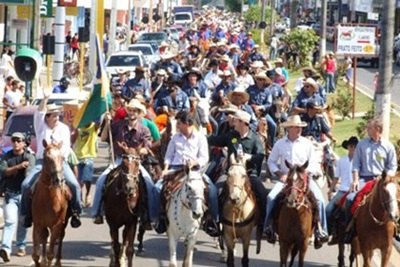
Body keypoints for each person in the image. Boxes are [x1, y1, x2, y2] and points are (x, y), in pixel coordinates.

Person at [20, 87, 82, 228]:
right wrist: (45, 98)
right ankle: (25, 215)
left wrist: (57, 156)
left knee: (75, 185)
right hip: (42, 162)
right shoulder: (41, 127)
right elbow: (39, 113)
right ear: (47, 117)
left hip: (60, 162)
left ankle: (76, 212)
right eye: (53, 115)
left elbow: (66, 148)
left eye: (57, 115)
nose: (56, 118)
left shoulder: (64, 129)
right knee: (26, 185)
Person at [264, 115, 329, 249]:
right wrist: (279, 173)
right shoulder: (280, 144)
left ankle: (321, 230)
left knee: (320, 200)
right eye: (296, 127)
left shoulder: (307, 143)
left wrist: (305, 174)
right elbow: (271, 161)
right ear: (289, 128)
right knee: (271, 198)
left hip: (303, 179)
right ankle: (268, 226)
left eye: (300, 127)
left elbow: (315, 162)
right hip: (286, 179)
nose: (299, 129)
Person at [91, 99, 156, 226]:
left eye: (135, 111)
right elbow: (104, 138)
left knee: (149, 185)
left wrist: (137, 151)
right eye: (130, 110)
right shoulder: (118, 125)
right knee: (101, 181)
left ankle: (148, 217)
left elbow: (147, 147)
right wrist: (107, 123)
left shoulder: (144, 130)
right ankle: (97, 212)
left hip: (136, 162)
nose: (132, 113)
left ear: (139, 113)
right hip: (119, 160)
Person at [155, 111, 219, 236]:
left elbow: (204, 158)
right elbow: (168, 156)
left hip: (194, 171)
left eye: (179, 123)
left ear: (187, 123)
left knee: (212, 190)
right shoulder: (175, 138)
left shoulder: (200, 138)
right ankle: (160, 217)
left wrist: (194, 162)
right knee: (157, 188)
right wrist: (165, 168)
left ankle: (212, 220)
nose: (177, 126)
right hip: (175, 169)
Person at [208, 110, 267, 233]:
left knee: (262, 194)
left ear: (243, 123)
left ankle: (264, 224)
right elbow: (215, 140)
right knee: (216, 191)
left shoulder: (254, 138)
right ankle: (215, 221)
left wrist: (249, 157)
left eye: (236, 120)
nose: (233, 122)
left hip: (249, 174)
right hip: (231, 173)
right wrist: (201, 135)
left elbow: (261, 156)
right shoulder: (231, 135)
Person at [348, 118, 399, 241]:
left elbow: (392, 166)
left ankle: (397, 229)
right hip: (365, 179)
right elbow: (356, 165)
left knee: (395, 199)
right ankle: (349, 229)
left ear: (377, 129)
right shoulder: (362, 144)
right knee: (350, 199)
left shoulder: (388, 146)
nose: (367, 129)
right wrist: (355, 180)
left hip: (384, 180)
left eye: (369, 127)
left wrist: (386, 177)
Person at [0, 133, 35, 262]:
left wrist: (27, 169)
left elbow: (30, 175)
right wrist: (18, 167)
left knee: (22, 222)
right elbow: (4, 171)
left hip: (24, 196)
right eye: (13, 140)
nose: (15, 143)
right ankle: (6, 249)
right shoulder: (6, 157)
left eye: (18, 140)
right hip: (10, 195)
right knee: (10, 222)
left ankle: (21, 245)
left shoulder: (29, 157)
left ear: (24, 143)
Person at [326, 136, 358, 245]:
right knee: (328, 209)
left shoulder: (360, 161)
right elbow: (336, 177)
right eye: (351, 146)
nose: (352, 148)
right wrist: (330, 190)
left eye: (355, 146)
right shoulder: (342, 161)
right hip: (343, 190)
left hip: (355, 191)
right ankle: (329, 233)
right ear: (348, 147)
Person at [73, 122, 99, 208]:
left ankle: (87, 194)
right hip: (78, 155)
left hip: (89, 156)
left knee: (87, 178)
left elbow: (99, 123)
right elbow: (72, 140)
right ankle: (79, 198)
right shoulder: (78, 126)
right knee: (79, 180)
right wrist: (75, 132)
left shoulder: (94, 126)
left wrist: (106, 118)